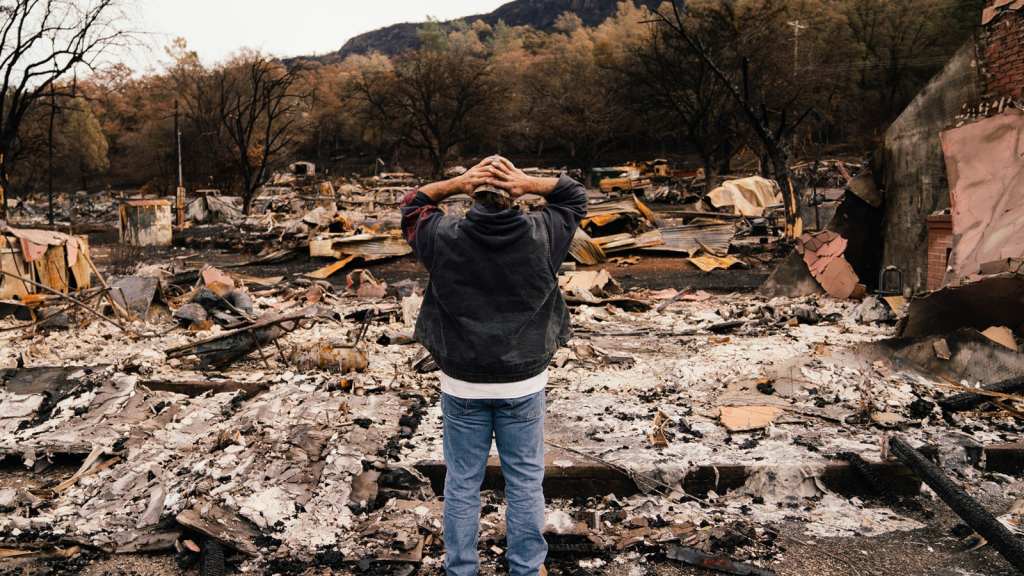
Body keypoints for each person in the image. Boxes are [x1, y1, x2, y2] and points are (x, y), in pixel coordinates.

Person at [400, 156, 587, 576]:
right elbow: (574, 194)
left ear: (472, 197)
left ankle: (462, 569)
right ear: (516, 197)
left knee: (462, 484)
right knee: (524, 483)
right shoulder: (546, 234)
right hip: (523, 384)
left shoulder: (440, 236)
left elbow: (412, 205)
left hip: (462, 385)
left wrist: (456, 182)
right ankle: (525, 568)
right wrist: (529, 181)